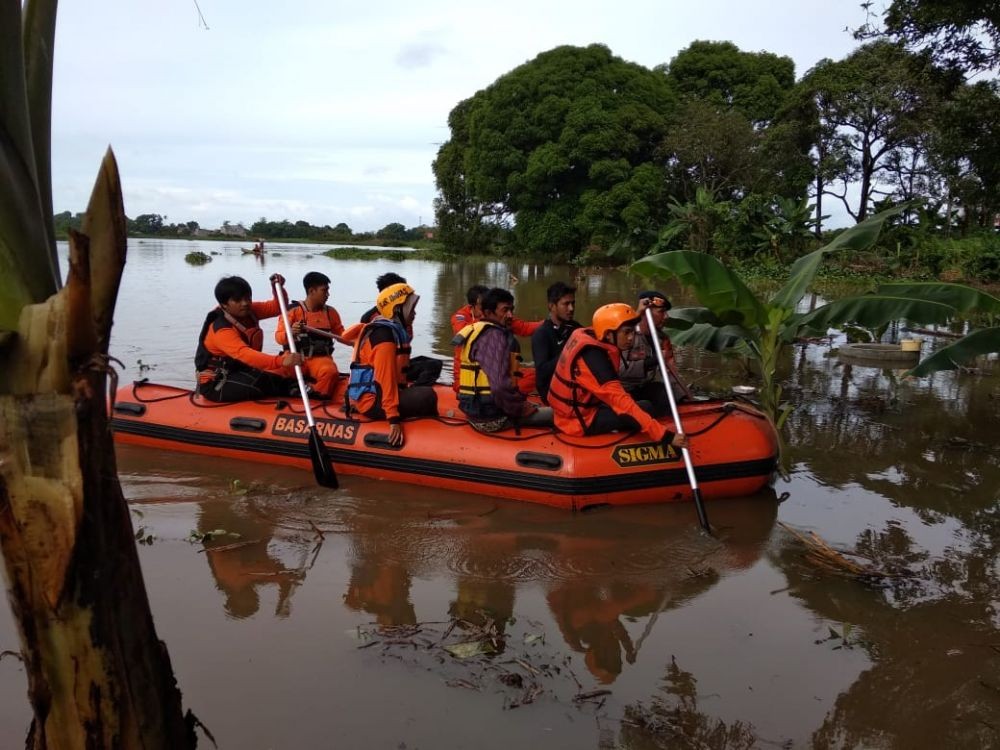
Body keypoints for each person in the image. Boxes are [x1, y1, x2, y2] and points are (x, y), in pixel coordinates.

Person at [548, 302, 688, 449]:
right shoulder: (595, 362)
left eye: (633, 332)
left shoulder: (593, 337)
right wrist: (666, 436)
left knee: (652, 395)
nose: (631, 338)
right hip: (579, 422)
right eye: (626, 332)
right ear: (609, 334)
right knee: (645, 407)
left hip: (576, 412)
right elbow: (623, 403)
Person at [346, 283, 437, 446]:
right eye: (411, 308)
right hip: (374, 401)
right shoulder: (384, 337)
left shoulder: (391, 331)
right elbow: (383, 379)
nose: (414, 313)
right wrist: (393, 419)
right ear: (396, 309)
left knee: (430, 369)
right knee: (427, 396)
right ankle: (430, 440)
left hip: (381, 394)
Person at [453, 287, 552, 433]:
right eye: (505, 310)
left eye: (511, 309)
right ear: (487, 312)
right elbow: (499, 386)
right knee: (563, 415)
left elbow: (525, 327)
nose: (510, 315)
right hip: (491, 419)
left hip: (476, 411)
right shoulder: (494, 336)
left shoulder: (479, 328)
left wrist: (547, 323)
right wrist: (519, 408)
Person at [195, 274, 302, 402]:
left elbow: (278, 308)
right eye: (238, 300)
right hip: (217, 382)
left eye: (248, 298)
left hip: (240, 372)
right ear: (224, 304)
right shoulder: (221, 329)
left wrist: (277, 288)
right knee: (262, 382)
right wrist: (280, 360)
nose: (245, 303)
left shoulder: (250, 311)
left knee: (285, 374)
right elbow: (244, 354)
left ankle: (305, 392)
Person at [450, 284, 542, 393]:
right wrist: (489, 322)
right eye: (482, 305)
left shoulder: (501, 316)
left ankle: (512, 397)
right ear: (473, 306)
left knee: (536, 374)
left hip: (489, 375)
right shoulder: (462, 318)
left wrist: (549, 323)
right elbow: (462, 331)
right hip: (467, 380)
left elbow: (524, 328)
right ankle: (511, 401)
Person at [274, 271, 346, 400]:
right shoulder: (292, 311)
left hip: (319, 359)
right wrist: (291, 332)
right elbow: (279, 337)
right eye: (324, 291)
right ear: (312, 291)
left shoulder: (331, 313)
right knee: (273, 373)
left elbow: (343, 336)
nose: (328, 294)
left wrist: (359, 339)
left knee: (330, 372)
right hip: (295, 357)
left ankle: (314, 393)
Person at [619, 290, 692, 414]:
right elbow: (619, 369)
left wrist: (685, 396)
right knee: (645, 407)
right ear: (646, 313)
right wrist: (651, 362)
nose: (666, 317)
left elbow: (670, 372)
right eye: (661, 312)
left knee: (664, 394)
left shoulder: (662, 339)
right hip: (622, 390)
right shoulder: (626, 335)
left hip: (644, 387)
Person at [531, 281, 581, 403]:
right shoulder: (541, 334)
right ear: (552, 306)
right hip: (552, 393)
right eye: (566, 304)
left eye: (573, 303)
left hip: (575, 386)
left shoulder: (576, 328)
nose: (571, 308)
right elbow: (542, 372)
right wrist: (568, 352)